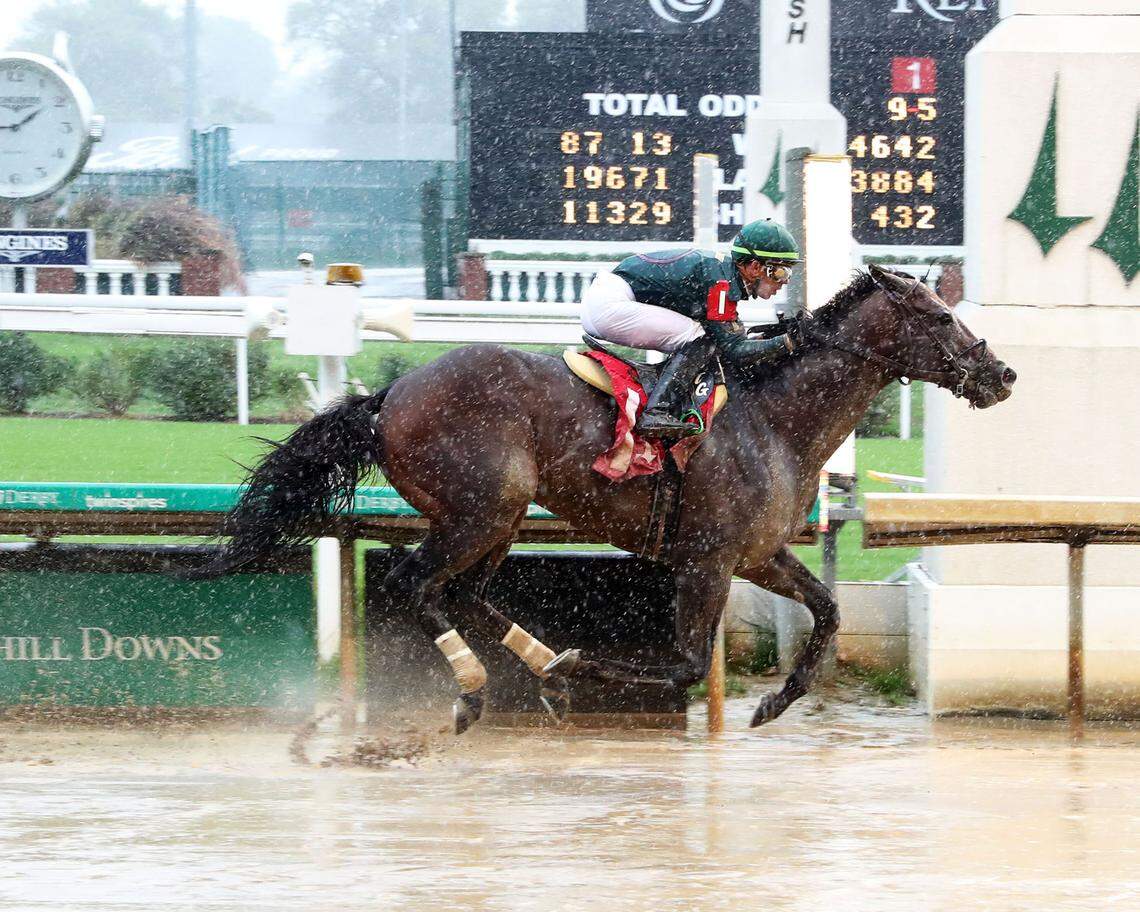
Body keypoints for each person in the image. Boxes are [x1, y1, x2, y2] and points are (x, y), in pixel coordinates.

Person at [580, 218, 802, 439]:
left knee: (704, 338)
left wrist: (773, 340)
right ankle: (656, 411)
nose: (785, 282)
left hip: (608, 299)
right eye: (782, 273)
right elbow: (735, 350)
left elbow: (733, 340)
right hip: (609, 304)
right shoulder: (721, 283)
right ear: (755, 267)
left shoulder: (722, 275)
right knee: (700, 339)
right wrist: (789, 341)